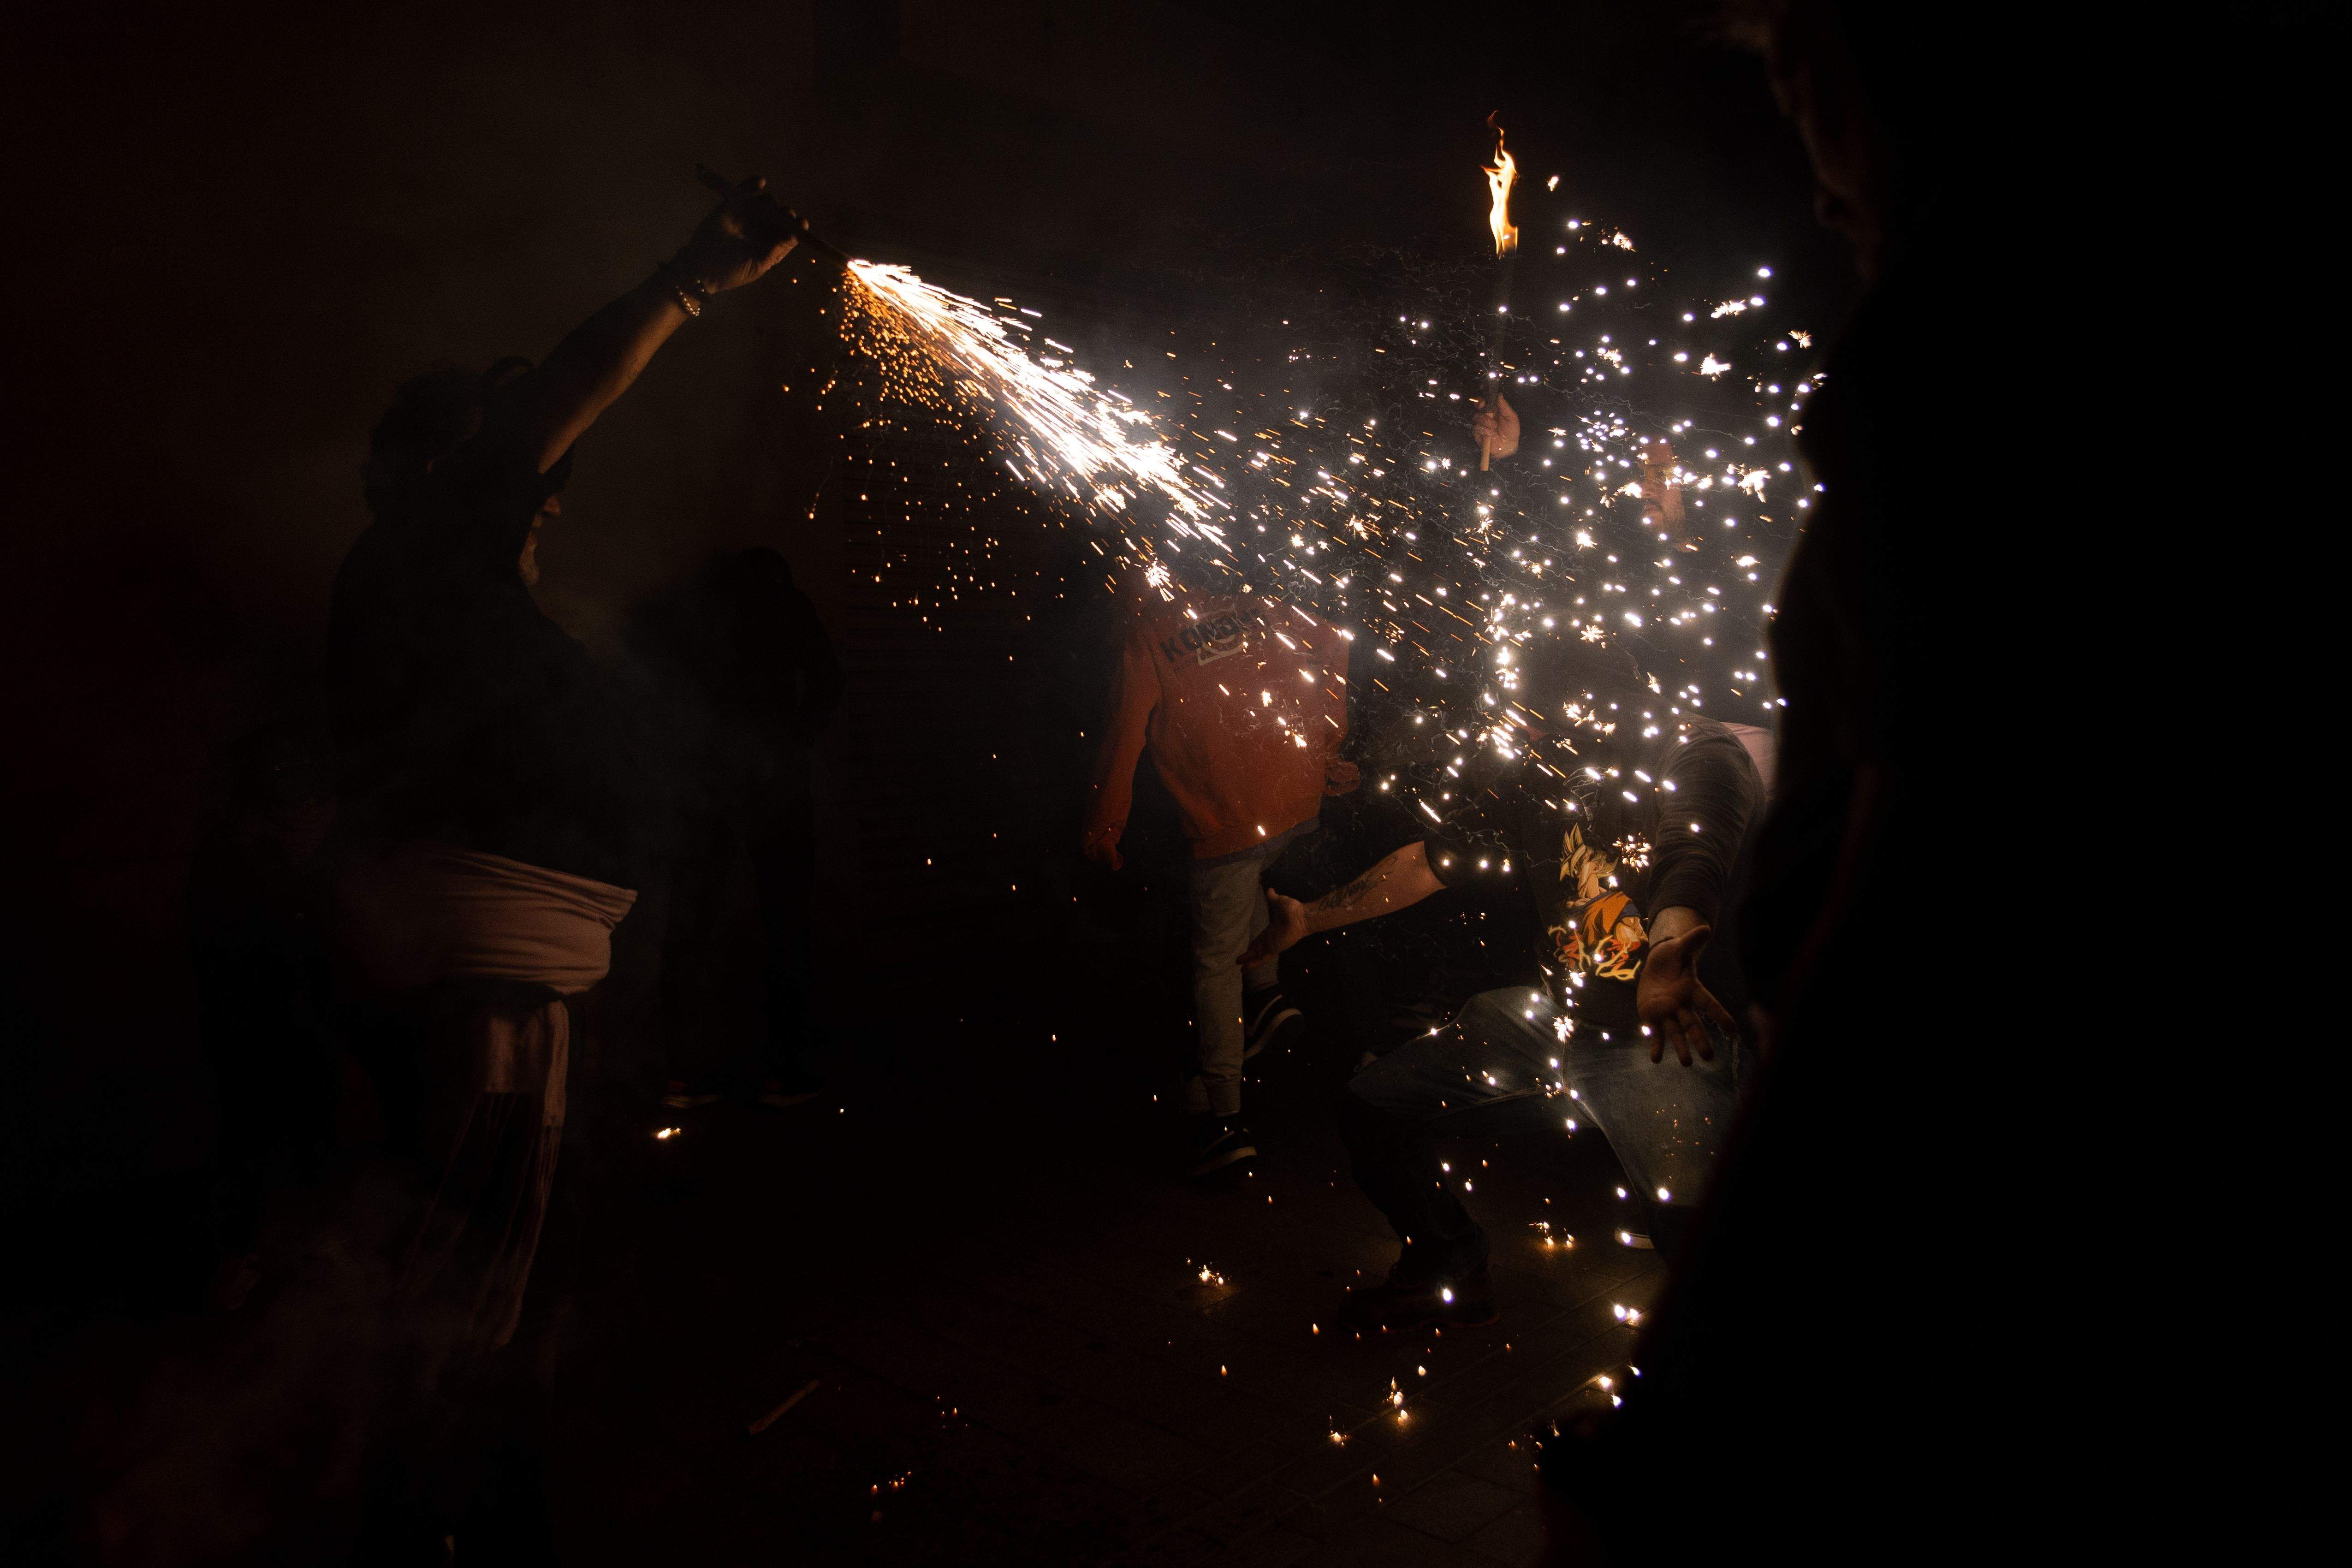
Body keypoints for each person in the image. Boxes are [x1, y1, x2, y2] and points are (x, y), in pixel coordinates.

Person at [326, 176, 802, 1562]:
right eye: (505, 467)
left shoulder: (445, 594)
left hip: (508, 981)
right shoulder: (421, 548)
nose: (539, 487)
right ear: (442, 476)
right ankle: (432, 1521)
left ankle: (458, 1499)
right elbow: (554, 403)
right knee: (455, 1310)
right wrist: (693, 279)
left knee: (483, 1297)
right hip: (485, 990)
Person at [1240, 632, 1761, 1329]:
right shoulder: (1548, 766)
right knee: (1375, 1108)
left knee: (1696, 1237)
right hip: (1553, 1020)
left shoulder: (1699, 755)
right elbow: (1431, 860)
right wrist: (1311, 917)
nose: (1528, 730)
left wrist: (1667, 953)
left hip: (1666, 1034)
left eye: (1539, 717)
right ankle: (1445, 1263)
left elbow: (1692, 859)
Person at [1082, 558, 1357, 1177]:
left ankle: (1224, 1119)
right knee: (1256, 884)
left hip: (1224, 816)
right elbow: (1334, 640)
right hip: (1295, 800)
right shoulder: (1261, 597)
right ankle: (1268, 996)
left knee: (1214, 960)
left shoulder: (1149, 626)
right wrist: (1326, 745)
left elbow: (1122, 734)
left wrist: (1103, 828)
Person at [634, 547, 844, 1110]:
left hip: (709, 775)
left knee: (694, 921)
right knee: (787, 922)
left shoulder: (696, 610)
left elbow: (661, 690)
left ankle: (685, 1074)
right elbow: (828, 679)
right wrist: (796, 736)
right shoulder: (785, 604)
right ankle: (787, 1070)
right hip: (773, 776)